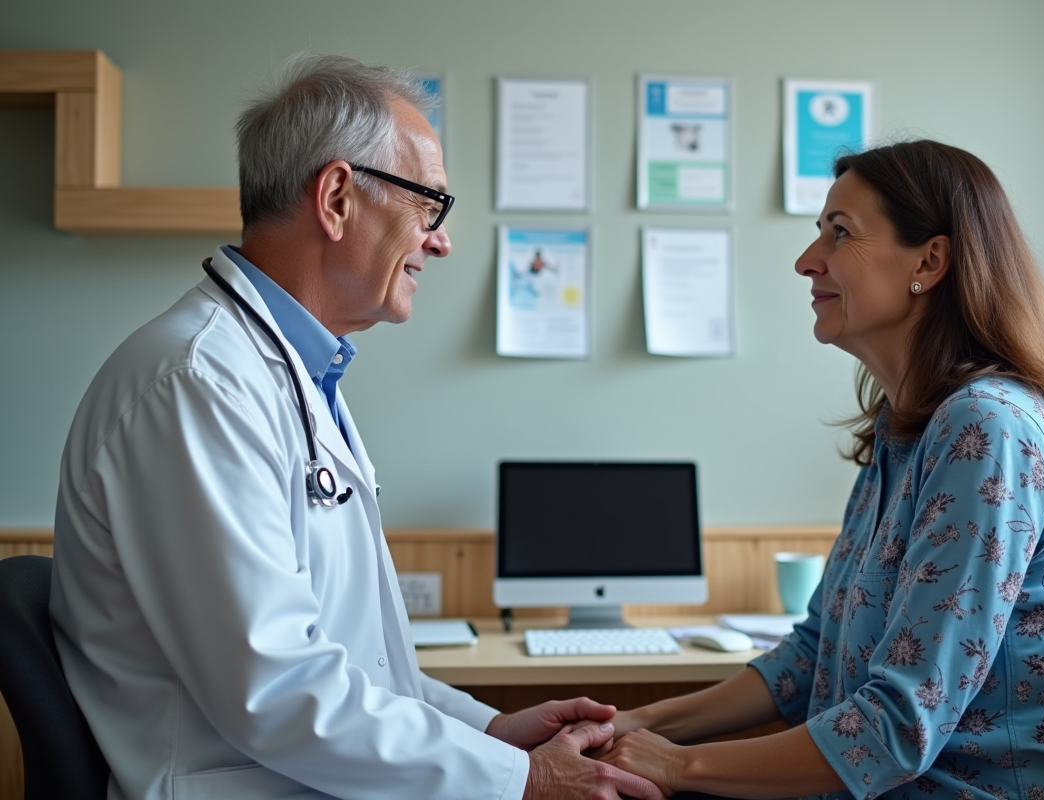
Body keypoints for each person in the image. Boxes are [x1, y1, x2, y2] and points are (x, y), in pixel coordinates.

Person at [49, 53, 661, 800]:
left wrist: (490, 733)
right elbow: (278, 693)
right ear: (337, 197)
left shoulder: (292, 375)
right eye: (429, 206)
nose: (440, 241)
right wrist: (520, 779)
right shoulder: (197, 384)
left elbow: (362, 669)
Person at [591, 141, 1044, 800]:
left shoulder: (986, 429)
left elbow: (897, 727)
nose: (808, 262)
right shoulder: (909, 430)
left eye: (840, 234)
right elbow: (812, 657)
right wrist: (635, 724)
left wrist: (679, 765)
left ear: (930, 260)